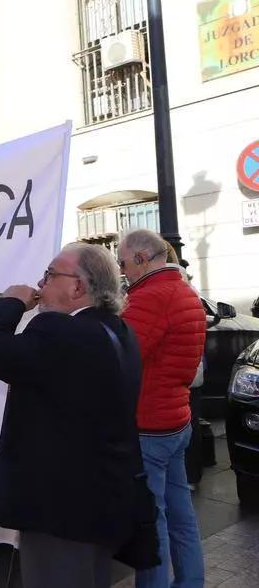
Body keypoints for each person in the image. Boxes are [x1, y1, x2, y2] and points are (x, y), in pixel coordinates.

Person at [0, 243, 142, 588]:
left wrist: (11, 302)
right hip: (101, 499)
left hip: (58, 509)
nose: (41, 282)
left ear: (78, 287)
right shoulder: (119, 331)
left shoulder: (59, 332)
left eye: (50, 275)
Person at [118, 229, 207, 588]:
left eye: (123, 262)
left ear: (142, 258)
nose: (122, 271)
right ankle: (190, 581)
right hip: (176, 420)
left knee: (152, 522)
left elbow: (119, 355)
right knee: (182, 514)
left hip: (149, 427)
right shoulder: (185, 292)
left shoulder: (150, 298)